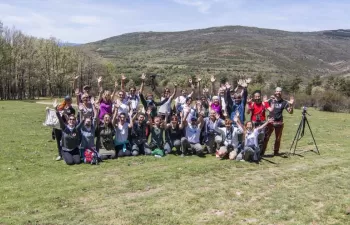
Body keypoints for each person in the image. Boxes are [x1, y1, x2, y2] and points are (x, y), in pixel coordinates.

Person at [262, 87, 294, 156]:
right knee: (266, 137)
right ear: (275, 92)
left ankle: (276, 152)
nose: (278, 93)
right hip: (270, 122)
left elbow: (290, 112)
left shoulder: (284, 102)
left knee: (278, 138)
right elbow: (263, 106)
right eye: (276, 91)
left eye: (279, 91)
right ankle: (262, 152)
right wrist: (264, 101)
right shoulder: (270, 100)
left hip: (279, 122)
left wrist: (291, 105)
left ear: (281, 93)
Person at [53, 97, 76, 161]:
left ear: (71, 101)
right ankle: (60, 154)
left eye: (69, 100)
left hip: (65, 127)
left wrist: (64, 114)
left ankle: (65, 154)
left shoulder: (72, 110)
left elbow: (70, 120)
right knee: (58, 140)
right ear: (65, 100)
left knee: (64, 141)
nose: (68, 101)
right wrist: (55, 107)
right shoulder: (61, 107)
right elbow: (55, 115)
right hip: (57, 126)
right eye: (67, 100)